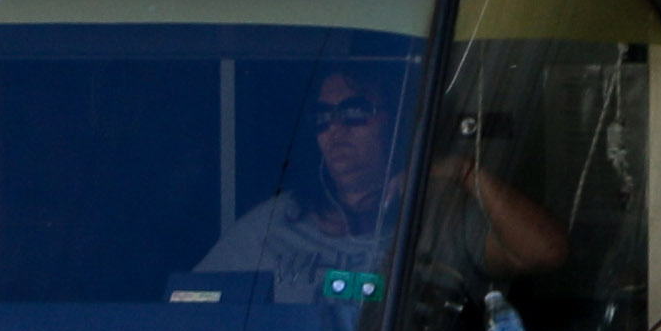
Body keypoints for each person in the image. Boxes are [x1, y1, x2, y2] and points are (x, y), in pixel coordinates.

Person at [196, 63, 558, 301]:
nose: (335, 128)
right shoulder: (275, 223)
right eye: (323, 117)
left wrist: (465, 173)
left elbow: (545, 253)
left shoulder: (443, 216)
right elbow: (191, 302)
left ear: (396, 121)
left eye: (354, 111)